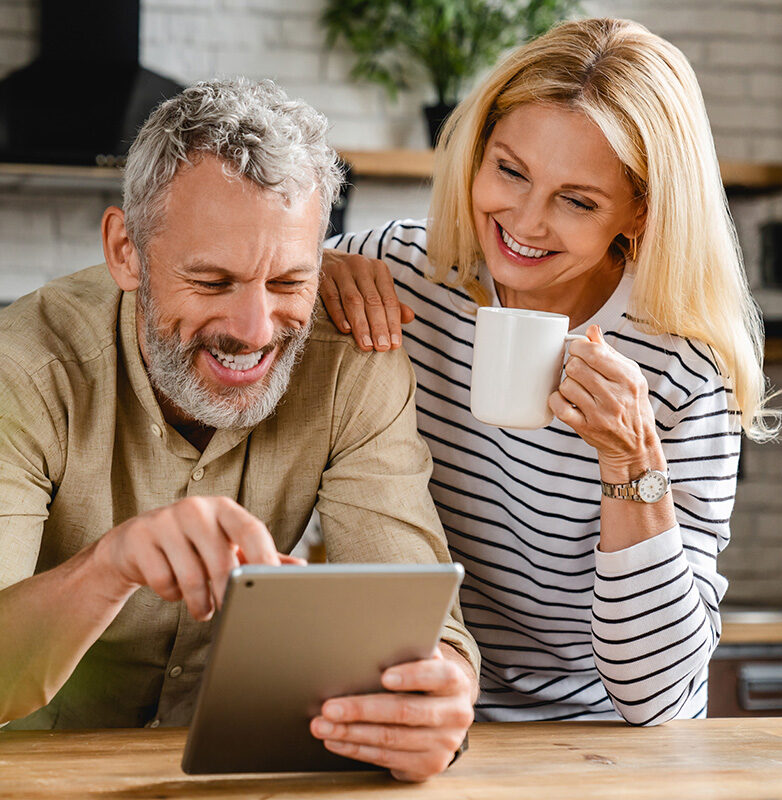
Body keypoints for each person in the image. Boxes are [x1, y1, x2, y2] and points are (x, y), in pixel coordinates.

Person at [0, 78, 478, 782]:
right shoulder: (25, 369)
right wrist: (111, 566)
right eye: (213, 281)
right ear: (125, 250)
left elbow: (420, 620)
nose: (255, 332)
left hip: (237, 779)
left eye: (288, 283)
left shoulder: (353, 363)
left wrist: (440, 698)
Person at [320, 18, 778, 725]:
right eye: (510, 170)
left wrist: (631, 459)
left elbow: (656, 697)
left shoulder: (685, 370)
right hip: (418, 707)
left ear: (639, 212)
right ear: (478, 153)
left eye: (577, 200)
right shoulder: (402, 275)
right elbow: (245, 284)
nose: (525, 222)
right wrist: (308, 271)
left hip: (597, 742)